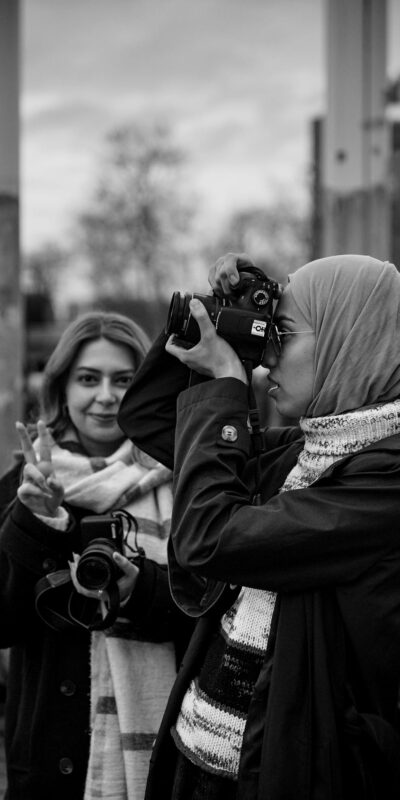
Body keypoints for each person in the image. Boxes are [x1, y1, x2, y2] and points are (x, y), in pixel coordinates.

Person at [118, 253, 400, 800]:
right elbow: (156, 420)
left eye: (284, 335)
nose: (267, 361)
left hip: (287, 776)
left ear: (352, 339)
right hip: (201, 763)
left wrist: (229, 379)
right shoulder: (309, 456)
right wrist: (220, 318)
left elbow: (211, 537)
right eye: (266, 338)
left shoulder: (383, 484)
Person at [0, 311, 193, 800]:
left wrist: (140, 589)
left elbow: (207, 616)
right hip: (48, 758)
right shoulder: (22, 484)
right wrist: (36, 523)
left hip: (162, 756)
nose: (106, 397)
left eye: (124, 380)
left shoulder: (184, 481)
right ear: (63, 387)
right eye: (89, 379)